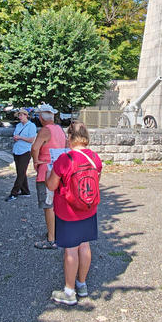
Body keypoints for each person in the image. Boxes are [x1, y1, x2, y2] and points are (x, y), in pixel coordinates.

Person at [46, 121, 103, 305]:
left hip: (68, 211)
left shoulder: (65, 159)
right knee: (85, 246)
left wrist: (48, 173)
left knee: (70, 250)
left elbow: (51, 185)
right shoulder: (94, 157)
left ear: (69, 137)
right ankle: (82, 284)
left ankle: (69, 292)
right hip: (88, 208)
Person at [30, 104, 66, 249]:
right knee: (58, 204)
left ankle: (51, 238)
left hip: (47, 169)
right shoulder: (59, 129)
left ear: (41, 118)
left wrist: (35, 160)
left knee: (48, 205)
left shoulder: (45, 130)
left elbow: (35, 147)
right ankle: (58, 233)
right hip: (60, 169)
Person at [6, 108, 37, 201]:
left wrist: (20, 137)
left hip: (25, 151)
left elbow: (31, 139)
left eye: (21, 115)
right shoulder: (18, 125)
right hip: (17, 150)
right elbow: (15, 135)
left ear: (26, 116)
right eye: (19, 115)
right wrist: (16, 137)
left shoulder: (31, 126)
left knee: (21, 173)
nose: (20, 117)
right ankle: (25, 191)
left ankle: (14, 193)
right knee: (20, 172)